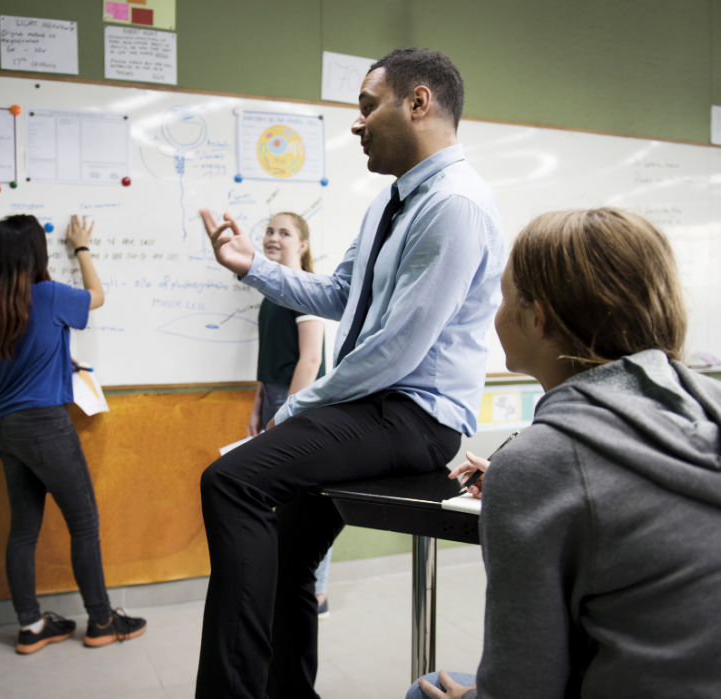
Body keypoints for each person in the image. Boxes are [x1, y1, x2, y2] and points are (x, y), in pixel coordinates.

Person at [195, 47, 506, 698]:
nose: (357, 125)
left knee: (231, 480)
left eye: (367, 107)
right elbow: (342, 294)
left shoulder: (455, 205)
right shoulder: (387, 204)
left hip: (415, 418)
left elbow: (395, 349)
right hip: (374, 408)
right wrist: (252, 265)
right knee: (285, 546)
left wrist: (296, 409)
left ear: (418, 103)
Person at [408, 208, 721, 699]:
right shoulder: (707, 405)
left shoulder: (540, 463)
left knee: (424, 689)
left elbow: (522, 685)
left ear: (540, 317)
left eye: (503, 297)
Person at [0, 214, 147, 654]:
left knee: (23, 531)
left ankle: (31, 626)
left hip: (4, 427)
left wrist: (57, 365)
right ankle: (102, 621)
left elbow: (15, 364)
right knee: (84, 525)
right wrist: (82, 248)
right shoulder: (49, 295)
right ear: (35, 254)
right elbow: (97, 297)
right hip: (44, 426)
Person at [247, 212, 333, 617]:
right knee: (280, 499)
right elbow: (271, 357)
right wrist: (258, 405)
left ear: (302, 245)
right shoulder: (272, 291)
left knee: (304, 501)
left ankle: (316, 593)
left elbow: (311, 358)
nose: (273, 237)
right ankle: (288, 585)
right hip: (275, 397)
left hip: (298, 400)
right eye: (268, 231)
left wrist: (285, 414)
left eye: (284, 232)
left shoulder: (306, 289)